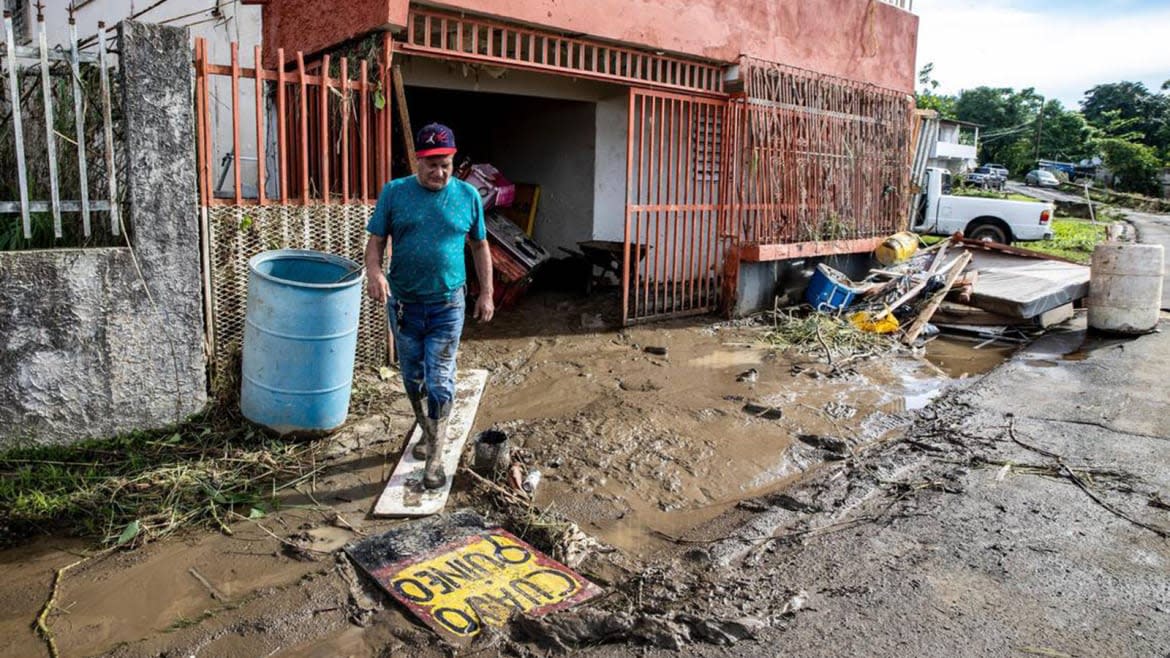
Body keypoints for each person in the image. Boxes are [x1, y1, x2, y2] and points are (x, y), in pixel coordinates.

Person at [364, 123, 494, 489]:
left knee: (439, 381)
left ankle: (435, 456)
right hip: (404, 305)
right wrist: (374, 273)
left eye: (446, 165)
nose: (439, 172)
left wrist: (486, 293)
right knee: (413, 379)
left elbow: (480, 246)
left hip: (447, 304)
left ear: (455, 162)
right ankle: (427, 431)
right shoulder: (395, 193)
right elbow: (375, 242)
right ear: (417, 161)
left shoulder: (468, 196)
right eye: (431, 164)